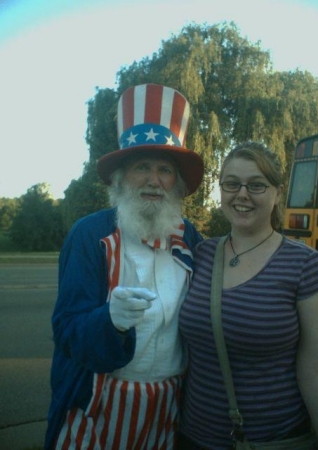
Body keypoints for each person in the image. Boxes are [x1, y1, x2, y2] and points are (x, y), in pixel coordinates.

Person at [44, 83, 204, 450]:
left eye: (165, 169)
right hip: (95, 403)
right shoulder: (90, 235)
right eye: (141, 167)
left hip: (167, 407)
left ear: (176, 183)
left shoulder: (190, 239)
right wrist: (110, 321)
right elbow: (66, 331)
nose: (154, 179)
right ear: (120, 177)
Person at [178, 141, 318, 450]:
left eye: (257, 185)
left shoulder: (306, 265)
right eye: (232, 184)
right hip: (191, 438)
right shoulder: (201, 254)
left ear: (278, 193)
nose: (242, 194)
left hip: (270, 441)